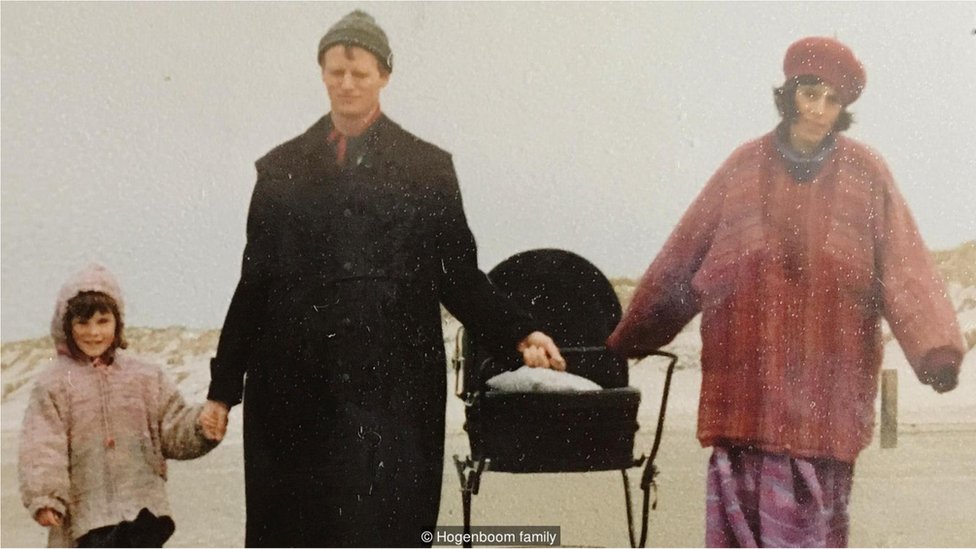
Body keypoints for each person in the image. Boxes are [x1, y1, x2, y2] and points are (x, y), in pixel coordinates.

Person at [197, 10, 566, 547]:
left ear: (384, 76)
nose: (346, 84)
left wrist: (520, 330)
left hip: (392, 392)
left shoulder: (427, 169)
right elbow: (254, 286)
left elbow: (458, 275)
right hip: (294, 394)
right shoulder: (280, 171)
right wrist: (222, 392)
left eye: (360, 73)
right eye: (335, 72)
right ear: (322, 73)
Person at [607, 36, 965, 548]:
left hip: (829, 397)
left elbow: (905, 263)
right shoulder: (742, 168)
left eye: (833, 100)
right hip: (745, 396)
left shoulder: (866, 174)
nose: (819, 110)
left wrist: (937, 352)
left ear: (843, 109)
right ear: (791, 92)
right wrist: (629, 339)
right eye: (810, 93)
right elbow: (684, 257)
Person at [18, 263, 220, 547]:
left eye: (103, 321)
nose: (93, 332)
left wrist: (201, 426)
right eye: (82, 323)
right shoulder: (54, 384)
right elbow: (42, 446)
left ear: (118, 322)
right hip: (87, 517)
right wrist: (46, 496)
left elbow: (173, 429)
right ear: (66, 326)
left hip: (143, 510)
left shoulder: (147, 378)